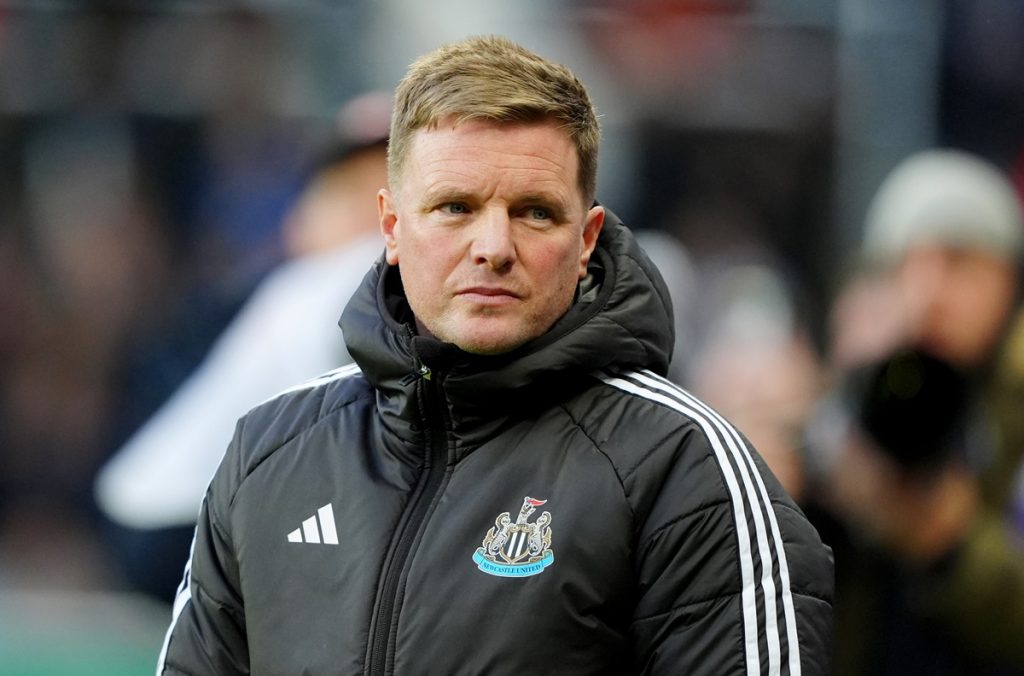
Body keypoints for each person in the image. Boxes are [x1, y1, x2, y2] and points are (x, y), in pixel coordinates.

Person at [156, 35, 833, 675]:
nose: (493, 247)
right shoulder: (269, 452)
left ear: (587, 238)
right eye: (455, 207)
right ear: (391, 226)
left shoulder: (686, 467)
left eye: (535, 212)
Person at [95, 92, 391, 601]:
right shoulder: (343, 279)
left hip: (162, 513)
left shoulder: (302, 287)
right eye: (350, 188)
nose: (369, 206)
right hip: (189, 516)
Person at [812, 148, 1024, 674]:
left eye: (958, 263)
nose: (928, 294)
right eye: (904, 265)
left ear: (1007, 281)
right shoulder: (849, 398)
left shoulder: (1012, 410)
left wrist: (950, 544)